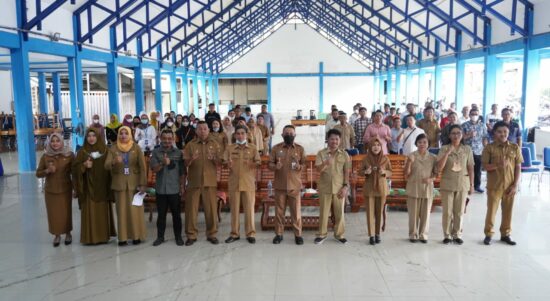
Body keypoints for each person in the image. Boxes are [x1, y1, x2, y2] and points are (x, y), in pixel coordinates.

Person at [73, 128, 116, 245]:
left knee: (101, 212)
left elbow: (112, 167)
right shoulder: (82, 152)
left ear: (98, 137)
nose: (91, 138)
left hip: (103, 186)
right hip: (88, 189)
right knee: (90, 212)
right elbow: (74, 169)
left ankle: (103, 236)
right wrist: (83, 166)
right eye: (89, 136)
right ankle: (90, 237)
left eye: (94, 136)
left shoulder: (105, 151)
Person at [481, 121, 523, 246]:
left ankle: (506, 234)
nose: (503, 134)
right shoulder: (489, 148)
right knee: (491, 212)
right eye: (499, 132)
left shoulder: (514, 147)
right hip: (494, 186)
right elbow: (485, 167)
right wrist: (497, 165)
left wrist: (515, 185)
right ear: (494, 133)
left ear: (508, 133)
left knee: (508, 212)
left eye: (505, 131)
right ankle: (488, 234)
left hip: (510, 186)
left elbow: (518, 167)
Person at [104, 126, 147, 246]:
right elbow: (106, 166)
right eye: (121, 133)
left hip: (134, 184)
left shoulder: (136, 148)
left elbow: (143, 167)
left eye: (126, 133)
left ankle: (136, 236)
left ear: (130, 135)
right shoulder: (113, 148)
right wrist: (114, 161)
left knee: (135, 211)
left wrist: (143, 184)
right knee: (121, 211)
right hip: (119, 183)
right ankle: (122, 238)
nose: (123, 136)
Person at [183, 121, 222, 246]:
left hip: (209, 182)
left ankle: (212, 234)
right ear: (196, 131)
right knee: (191, 210)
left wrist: (214, 159)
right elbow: (185, 163)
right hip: (194, 182)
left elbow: (220, 163)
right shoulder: (190, 145)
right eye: (200, 129)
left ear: (208, 130)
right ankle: (191, 235)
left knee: (211, 209)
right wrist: (191, 159)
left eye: (205, 128)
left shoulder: (215, 144)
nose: (202, 131)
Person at [436, 125, 474, 245]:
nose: (456, 135)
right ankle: (447, 235)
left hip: (463, 183)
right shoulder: (444, 148)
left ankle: (457, 234)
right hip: (447, 183)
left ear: (462, 135)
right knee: (447, 212)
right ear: (449, 135)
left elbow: (470, 167)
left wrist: (472, 184)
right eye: (453, 133)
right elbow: (439, 168)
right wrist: (447, 153)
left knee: (459, 211)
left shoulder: (467, 149)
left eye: (458, 133)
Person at [223, 125, 261, 244]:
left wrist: (252, 164)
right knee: (234, 210)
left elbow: (258, 162)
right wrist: (227, 164)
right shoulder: (229, 148)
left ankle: (250, 233)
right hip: (234, 183)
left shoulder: (253, 148)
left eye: (242, 133)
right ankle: (234, 234)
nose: (240, 135)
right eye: (238, 133)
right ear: (235, 135)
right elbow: (224, 163)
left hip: (248, 183)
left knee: (249, 209)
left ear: (246, 134)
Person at [36, 133, 75, 247]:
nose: (55, 143)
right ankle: (56, 235)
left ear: (62, 142)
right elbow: (38, 174)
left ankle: (68, 233)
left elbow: (74, 173)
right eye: (52, 141)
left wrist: (76, 188)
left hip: (65, 189)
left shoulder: (69, 155)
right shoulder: (46, 156)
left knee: (66, 213)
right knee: (53, 214)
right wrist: (47, 171)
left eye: (57, 141)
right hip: (51, 191)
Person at [269, 125, 306, 245]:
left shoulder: (300, 149)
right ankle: (279, 234)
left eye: (291, 133)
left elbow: (304, 165)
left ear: (295, 135)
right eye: (286, 133)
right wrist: (275, 166)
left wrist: (299, 167)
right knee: (279, 212)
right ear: (282, 135)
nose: (289, 135)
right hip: (280, 186)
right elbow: (269, 164)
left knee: (296, 212)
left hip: (294, 186)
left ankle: (298, 235)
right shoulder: (276, 149)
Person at [314, 129, 351, 245]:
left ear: (339, 141)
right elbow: (318, 170)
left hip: (339, 188)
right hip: (324, 187)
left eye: (336, 139)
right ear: (327, 140)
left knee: (340, 213)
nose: (334, 141)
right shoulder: (321, 153)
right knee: (324, 212)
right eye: (332, 139)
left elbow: (347, 172)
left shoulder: (344, 154)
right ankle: (321, 234)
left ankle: (339, 234)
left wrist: (345, 187)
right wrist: (326, 163)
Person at [150, 130, 185, 247]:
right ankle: (160, 237)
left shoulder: (178, 153)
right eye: (164, 138)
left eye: (169, 138)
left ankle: (178, 237)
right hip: (160, 189)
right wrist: (163, 163)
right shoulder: (155, 152)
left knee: (176, 215)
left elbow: (182, 172)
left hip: (174, 189)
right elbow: (154, 169)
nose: (167, 141)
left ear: (173, 139)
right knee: (161, 215)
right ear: (160, 138)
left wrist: (182, 186)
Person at [404, 134, 438, 243]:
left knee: (426, 213)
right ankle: (413, 235)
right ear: (416, 144)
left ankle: (423, 235)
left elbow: (436, 174)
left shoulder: (433, 157)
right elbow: (406, 175)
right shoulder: (411, 155)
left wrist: (431, 179)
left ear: (428, 144)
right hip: (413, 187)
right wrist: (409, 162)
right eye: (419, 142)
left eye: (424, 142)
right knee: (413, 214)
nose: (422, 144)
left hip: (427, 188)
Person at [360, 138, 392, 245]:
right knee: (370, 213)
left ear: (381, 147)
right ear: (370, 147)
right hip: (369, 188)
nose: (376, 147)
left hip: (381, 188)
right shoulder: (366, 159)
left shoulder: (385, 159)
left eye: (378, 145)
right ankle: (371, 235)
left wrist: (384, 172)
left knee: (379, 212)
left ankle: (378, 234)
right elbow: (359, 172)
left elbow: (390, 172)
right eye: (374, 145)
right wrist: (366, 171)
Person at [462, 108, 488, 193]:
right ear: (469, 115)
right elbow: (461, 138)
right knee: (467, 169)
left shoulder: (482, 125)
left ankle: (477, 186)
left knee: (477, 169)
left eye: (476, 114)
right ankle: (467, 185)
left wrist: (486, 149)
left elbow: (484, 138)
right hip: (467, 150)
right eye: (472, 114)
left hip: (478, 150)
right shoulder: (464, 125)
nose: (474, 116)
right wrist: (469, 135)